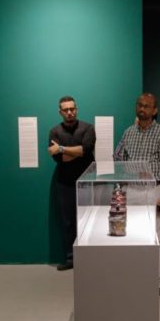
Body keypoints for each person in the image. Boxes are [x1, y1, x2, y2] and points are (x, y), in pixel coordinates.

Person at [114, 92, 160, 295]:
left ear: (155, 110)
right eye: (139, 105)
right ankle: (136, 275)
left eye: (147, 106)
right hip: (131, 189)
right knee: (132, 234)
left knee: (158, 236)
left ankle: (159, 281)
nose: (142, 109)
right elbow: (118, 159)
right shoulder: (128, 133)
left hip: (153, 190)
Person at [48, 96, 96, 271]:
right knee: (68, 222)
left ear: (76, 109)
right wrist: (76, 151)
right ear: (60, 112)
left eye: (72, 109)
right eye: (65, 109)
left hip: (87, 181)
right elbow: (59, 159)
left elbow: (86, 150)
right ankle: (71, 258)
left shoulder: (88, 128)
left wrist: (62, 149)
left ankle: (88, 258)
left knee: (88, 220)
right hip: (65, 183)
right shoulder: (55, 132)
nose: (69, 112)